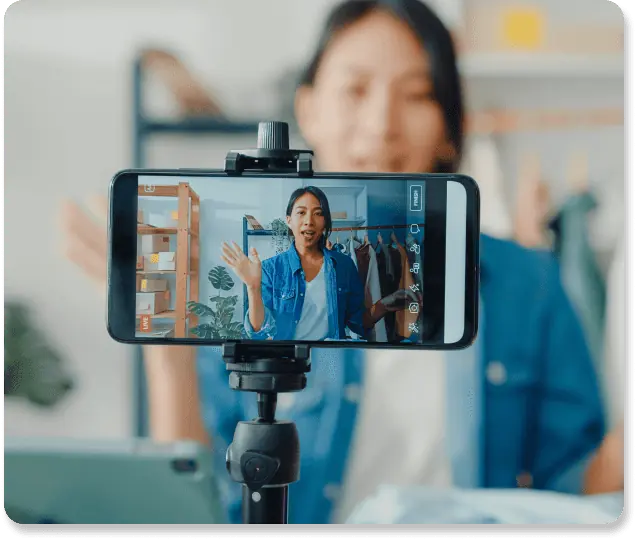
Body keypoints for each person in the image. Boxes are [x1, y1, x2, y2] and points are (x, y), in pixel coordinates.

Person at [62, 0, 620, 525]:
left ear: (449, 126)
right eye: (355, 89)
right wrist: (166, 354)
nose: (382, 124)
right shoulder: (250, 281)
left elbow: (570, 490)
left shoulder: (531, 285)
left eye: (418, 93)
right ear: (308, 108)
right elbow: (197, 504)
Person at [221, 186, 419, 341]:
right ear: (289, 220)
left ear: (325, 222)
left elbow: (358, 323)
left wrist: (384, 305)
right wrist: (253, 287)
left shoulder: (344, 265)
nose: (309, 221)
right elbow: (258, 331)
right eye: (301, 213)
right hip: (287, 360)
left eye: (318, 213)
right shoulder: (271, 269)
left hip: (331, 361)